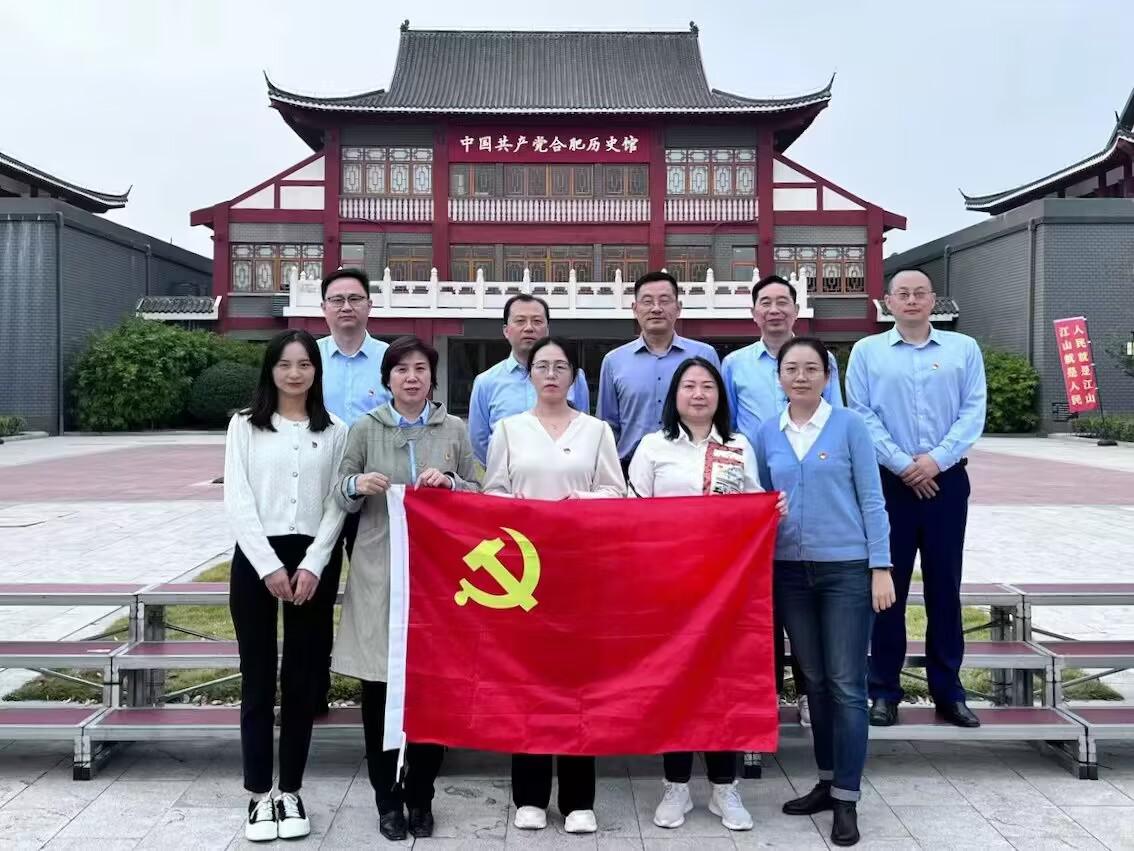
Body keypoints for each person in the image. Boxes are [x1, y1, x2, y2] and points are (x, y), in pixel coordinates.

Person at [331, 335, 481, 841]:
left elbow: (479, 490)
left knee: (432, 687)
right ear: (387, 379)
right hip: (381, 571)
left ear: (432, 378)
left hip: (439, 577)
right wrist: (358, 485)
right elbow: (339, 491)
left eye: (420, 369)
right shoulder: (365, 429)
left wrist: (452, 484)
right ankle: (386, 799)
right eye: (401, 369)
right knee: (380, 686)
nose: (411, 377)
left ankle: (421, 795)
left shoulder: (452, 429)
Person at [629, 356, 786, 833]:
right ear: (674, 395)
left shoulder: (738, 445)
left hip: (727, 588)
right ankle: (675, 784)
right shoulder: (653, 446)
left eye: (707, 386)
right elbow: (632, 510)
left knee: (724, 682)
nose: (698, 394)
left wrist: (771, 509)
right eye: (689, 386)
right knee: (674, 682)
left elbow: (753, 501)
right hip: (669, 587)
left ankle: (724, 786)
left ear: (720, 396)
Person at [754, 337, 895, 848]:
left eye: (811, 368)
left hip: (846, 570)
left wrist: (881, 566)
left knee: (846, 685)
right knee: (812, 680)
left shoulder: (850, 426)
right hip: (789, 572)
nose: (801, 376)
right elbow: (759, 502)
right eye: (791, 368)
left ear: (827, 376)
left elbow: (873, 499)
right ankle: (826, 780)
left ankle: (847, 797)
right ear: (779, 377)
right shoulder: (766, 432)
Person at [483, 336, 625, 835]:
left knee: (579, 682)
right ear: (530, 376)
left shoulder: (596, 430)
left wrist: (579, 504)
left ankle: (579, 798)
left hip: (580, 571)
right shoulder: (509, 429)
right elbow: (493, 494)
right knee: (528, 682)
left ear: (574, 377)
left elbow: (616, 492)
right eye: (541, 366)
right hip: (524, 576)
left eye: (560, 366)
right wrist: (524, 513)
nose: (550, 374)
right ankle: (529, 795)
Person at [846, 269, 987, 730]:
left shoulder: (963, 349)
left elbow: (972, 412)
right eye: (902, 293)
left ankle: (949, 692)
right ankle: (884, 690)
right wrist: (903, 464)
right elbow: (861, 413)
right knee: (888, 588)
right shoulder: (867, 352)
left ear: (933, 300)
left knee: (945, 587)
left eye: (919, 293)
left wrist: (935, 462)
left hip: (947, 483)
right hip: (889, 485)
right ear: (887, 301)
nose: (911, 300)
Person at [223, 329, 348, 842]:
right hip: (257, 561)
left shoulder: (336, 430)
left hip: (314, 562)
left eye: (304, 364)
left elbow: (338, 503)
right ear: (270, 370)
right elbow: (237, 499)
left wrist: (314, 563)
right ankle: (259, 794)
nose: (295, 373)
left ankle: (291, 790)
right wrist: (268, 566)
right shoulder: (244, 426)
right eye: (284, 364)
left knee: (301, 680)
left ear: (316, 371)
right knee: (257, 679)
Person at [721, 273, 844, 725]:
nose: (774, 310)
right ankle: (766, 692)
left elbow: (835, 419)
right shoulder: (734, 364)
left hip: (812, 487)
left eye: (782, 302)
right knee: (761, 599)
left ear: (796, 309)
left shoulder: (822, 359)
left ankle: (812, 692)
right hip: (755, 493)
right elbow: (728, 427)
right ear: (753, 312)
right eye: (765, 302)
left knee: (807, 594)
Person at [315, 267, 391, 711]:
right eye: (337, 299)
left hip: (372, 498)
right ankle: (312, 691)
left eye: (355, 298)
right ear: (324, 308)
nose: (346, 307)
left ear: (369, 305)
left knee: (375, 595)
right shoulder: (308, 357)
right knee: (315, 594)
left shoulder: (388, 360)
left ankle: (377, 691)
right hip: (316, 496)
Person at [597, 270, 719, 474]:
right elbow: (608, 427)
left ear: (678, 308)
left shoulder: (704, 355)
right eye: (647, 301)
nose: (656, 308)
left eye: (664, 301)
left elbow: (719, 415)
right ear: (635, 309)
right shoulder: (614, 361)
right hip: (630, 467)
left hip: (692, 468)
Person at [468, 294, 590, 464]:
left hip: (564, 474)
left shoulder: (574, 377)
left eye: (537, 321)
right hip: (509, 477)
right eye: (520, 321)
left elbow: (582, 430)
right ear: (506, 330)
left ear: (547, 329)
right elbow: (479, 441)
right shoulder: (485, 382)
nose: (529, 328)